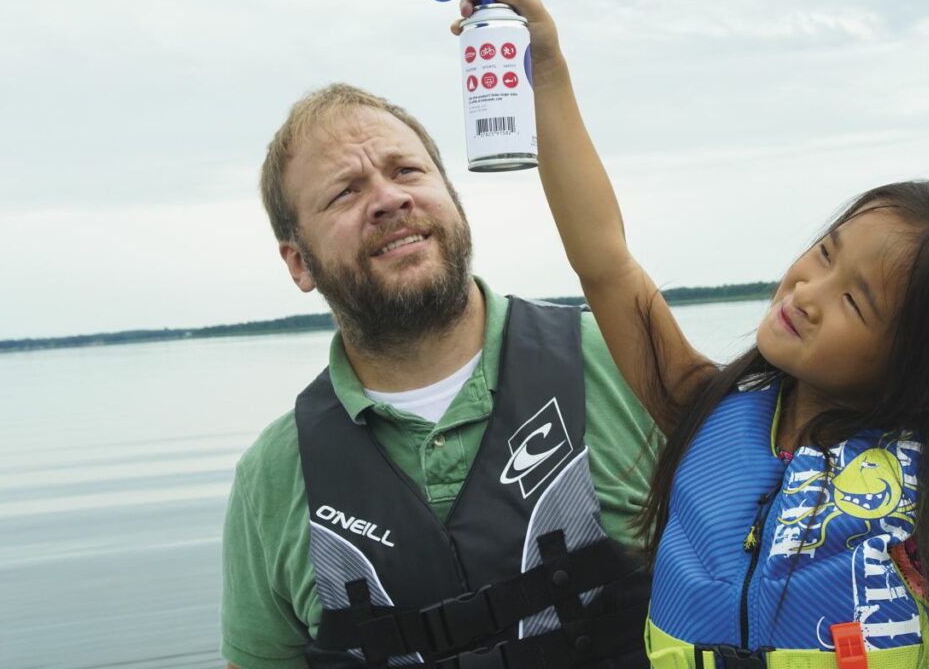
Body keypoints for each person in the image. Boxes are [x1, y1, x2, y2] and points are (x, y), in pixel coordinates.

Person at [459, 0, 929, 667]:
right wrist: (546, 73)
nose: (806, 293)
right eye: (825, 253)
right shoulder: (704, 409)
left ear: (921, 364)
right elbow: (607, 263)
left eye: (857, 304)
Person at [221, 83, 661, 669]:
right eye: (345, 193)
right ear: (299, 263)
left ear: (453, 198)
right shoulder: (272, 478)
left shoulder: (619, 359)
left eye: (406, 170)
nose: (387, 199)